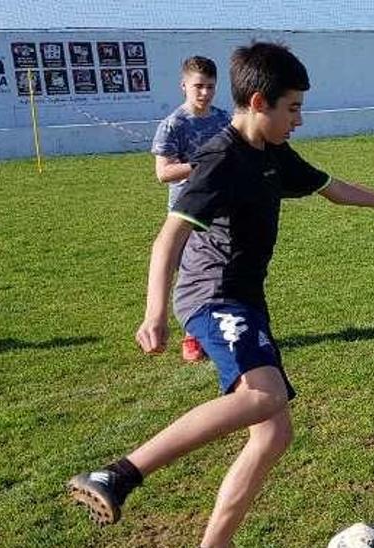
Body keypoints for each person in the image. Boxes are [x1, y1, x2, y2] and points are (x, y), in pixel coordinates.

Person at [66, 42, 374, 547]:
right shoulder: (219, 158)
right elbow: (168, 236)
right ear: (260, 102)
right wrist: (154, 312)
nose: (300, 119)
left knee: (273, 433)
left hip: (245, 299)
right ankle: (118, 475)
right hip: (212, 296)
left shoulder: (272, 153)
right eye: (294, 108)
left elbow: (332, 188)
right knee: (266, 395)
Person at [150, 55, 232, 363]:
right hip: (186, 212)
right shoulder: (173, 125)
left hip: (222, 208)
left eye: (210, 87)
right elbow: (163, 173)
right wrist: (200, 165)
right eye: (198, 86)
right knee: (188, 274)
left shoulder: (224, 119)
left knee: (220, 270)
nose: (205, 93)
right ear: (184, 85)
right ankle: (192, 334)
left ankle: (215, 327)